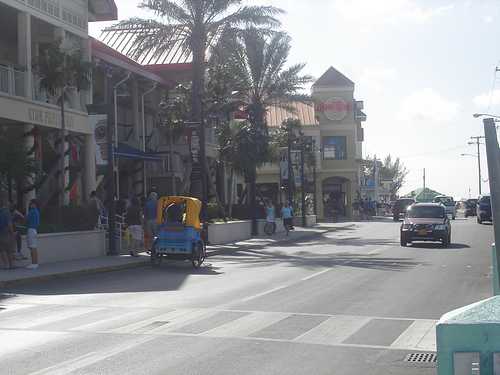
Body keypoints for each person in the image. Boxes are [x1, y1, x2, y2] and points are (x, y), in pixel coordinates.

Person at [0, 194, 14, 269]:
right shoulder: (7, 212)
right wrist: (12, 233)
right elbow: (9, 224)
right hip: (6, 232)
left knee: (2, 250)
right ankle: (11, 265)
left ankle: (6, 265)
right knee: (9, 250)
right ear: (5, 204)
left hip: (0, 232)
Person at [26, 199, 40, 270]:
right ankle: (34, 263)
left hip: (31, 230)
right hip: (34, 230)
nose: (30, 205)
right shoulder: (36, 211)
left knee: (33, 247)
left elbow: (27, 219)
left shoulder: (32, 211)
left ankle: (34, 263)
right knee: (32, 247)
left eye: (31, 203)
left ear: (35, 204)